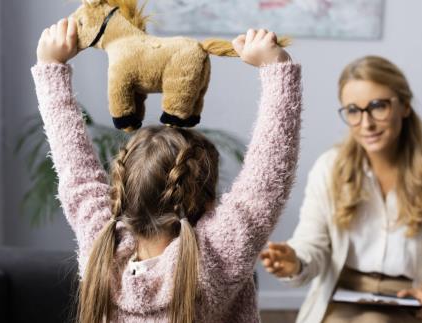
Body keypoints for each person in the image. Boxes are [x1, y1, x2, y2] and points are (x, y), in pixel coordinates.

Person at [32, 17, 302, 323]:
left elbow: (74, 167)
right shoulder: (214, 257)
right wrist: (278, 69)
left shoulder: (100, 247)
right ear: (206, 199)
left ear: (120, 190)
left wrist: (50, 66)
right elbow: (267, 175)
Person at [260, 56, 422, 323]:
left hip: (414, 298)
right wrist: (296, 261)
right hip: (345, 294)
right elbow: (312, 242)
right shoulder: (329, 168)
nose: (366, 124)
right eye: (353, 111)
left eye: (378, 106)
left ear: (404, 106)